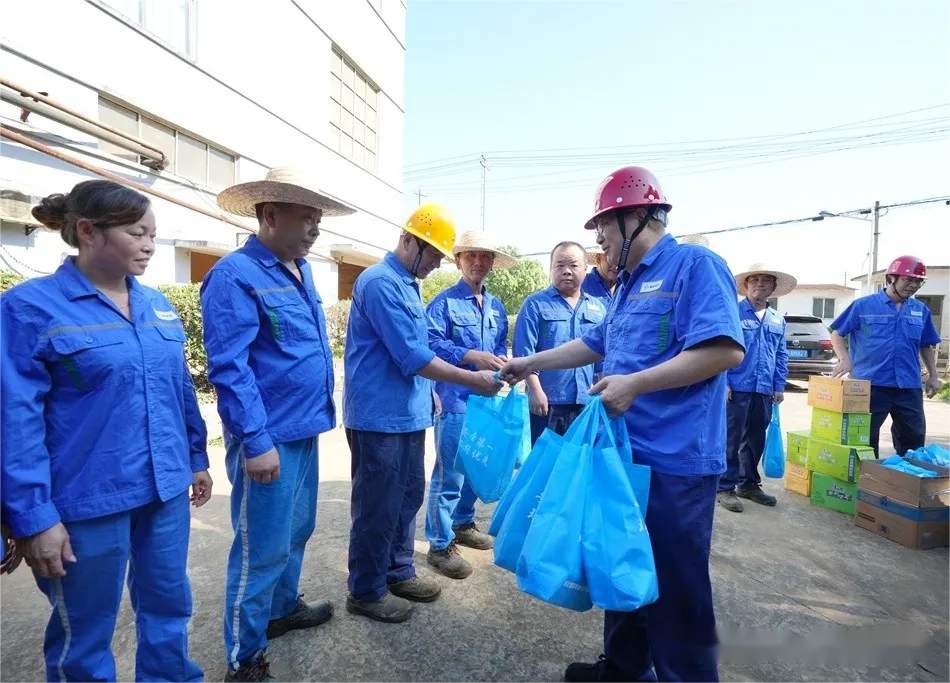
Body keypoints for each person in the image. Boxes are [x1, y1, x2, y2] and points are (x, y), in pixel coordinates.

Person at [500, 166, 745, 683]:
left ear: (635, 217)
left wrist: (635, 384)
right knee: (619, 562)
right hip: (625, 454)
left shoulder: (695, 265)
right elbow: (595, 343)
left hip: (676, 462)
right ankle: (624, 669)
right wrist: (530, 363)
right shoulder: (627, 286)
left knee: (676, 587)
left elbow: (724, 350)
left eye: (603, 227)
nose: (599, 240)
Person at [0, 180, 211, 682]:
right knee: (85, 630)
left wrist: (196, 457)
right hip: (84, 499)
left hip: (164, 489)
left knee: (169, 605)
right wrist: (33, 516)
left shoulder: (157, 305)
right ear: (89, 231)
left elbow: (178, 387)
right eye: (137, 233)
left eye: (153, 235)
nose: (149, 245)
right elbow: (14, 418)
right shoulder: (30, 307)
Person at [204, 168, 354, 682]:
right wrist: (254, 440)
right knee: (260, 551)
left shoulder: (300, 269)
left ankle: (281, 609)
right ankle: (243, 659)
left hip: (303, 428)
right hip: (268, 437)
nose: (316, 228)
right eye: (307, 217)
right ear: (270, 215)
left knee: (297, 530)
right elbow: (230, 367)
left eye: (318, 218)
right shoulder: (235, 275)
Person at [343, 203, 503, 624]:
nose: (437, 263)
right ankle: (366, 590)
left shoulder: (408, 285)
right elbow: (412, 355)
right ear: (407, 240)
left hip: (409, 413)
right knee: (377, 505)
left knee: (408, 497)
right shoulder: (379, 282)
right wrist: (471, 379)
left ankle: (398, 571)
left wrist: (430, 394)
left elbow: (420, 349)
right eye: (432, 253)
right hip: (379, 417)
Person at [424, 230, 514, 580]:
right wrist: (470, 355)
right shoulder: (443, 304)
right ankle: (439, 544)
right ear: (458, 260)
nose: (477, 261)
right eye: (470, 255)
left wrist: (502, 364)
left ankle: (463, 523)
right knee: (449, 474)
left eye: (484, 255)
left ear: (492, 262)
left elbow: (499, 344)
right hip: (454, 401)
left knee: (476, 468)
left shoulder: (496, 307)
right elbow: (429, 344)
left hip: (485, 401)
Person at [830, 255, 943, 457]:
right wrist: (845, 359)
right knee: (863, 442)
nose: (913, 285)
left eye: (918, 281)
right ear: (891, 278)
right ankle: (866, 476)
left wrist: (933, 375)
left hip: (908, 386)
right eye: (908, 279)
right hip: (870, 385)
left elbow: (925, 344)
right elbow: (837, 333)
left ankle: (907, 476)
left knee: (914, 442)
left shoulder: (920, 310)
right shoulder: (863, 306)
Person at [718, 263, 795, 513]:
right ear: (746, 285)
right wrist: (724, 381)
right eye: (754, 280)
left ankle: (748, 484)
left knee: (755, 439)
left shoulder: (777, 319)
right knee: (731, 438)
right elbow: (721, 347)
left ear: (773, 287)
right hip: (736, 386)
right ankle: (724, 487)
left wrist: (779, 385)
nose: (760, 284)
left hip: (764, 389)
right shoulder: (733, 312)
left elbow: (780, 354)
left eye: (766, 280)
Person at [514, 241, 606, 444]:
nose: (566, 271)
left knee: (577, 459)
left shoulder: (598, 308)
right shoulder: (535, 304)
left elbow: (602, 359)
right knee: (545, 459)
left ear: (585, 268)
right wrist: (535, 391)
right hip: (547, 403)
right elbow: (524, 352)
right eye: (560, 265)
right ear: (551, 268)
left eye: (573, 265)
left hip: (585, 403)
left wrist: (602, 394)